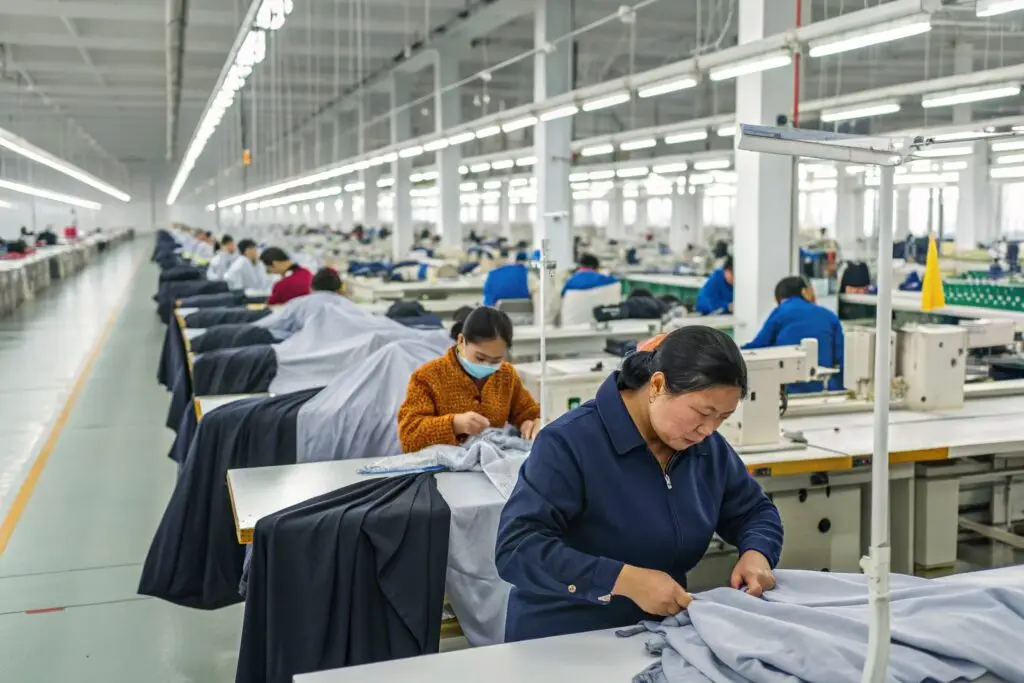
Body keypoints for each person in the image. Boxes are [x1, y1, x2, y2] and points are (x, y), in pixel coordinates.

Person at [495, 326, 783, 642]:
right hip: (562, 640)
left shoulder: (704, 449)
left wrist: (757, 553)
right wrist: (622, 580)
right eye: (703, 412)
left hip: (657, 637)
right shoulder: (570, 443)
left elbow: (754, 510)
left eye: (722, 418)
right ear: (657, 384)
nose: (709, 430)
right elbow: (518, 548)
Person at [397, 306, 541, 452]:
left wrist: (530, 423)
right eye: (480, 357)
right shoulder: (428, 377)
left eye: (496, 359)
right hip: (441, 470)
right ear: (461, 341)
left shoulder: (505, 375)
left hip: (488, 465)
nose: (487, 365)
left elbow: (527, 411)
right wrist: (454, 425)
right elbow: (409, 436)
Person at [743, 275, 844, 393]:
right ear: (804, 292)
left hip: (788, 390)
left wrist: (730, 352)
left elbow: (758, 346)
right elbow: (842, 358)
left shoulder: (781, 312)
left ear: (780, 299)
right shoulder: (829, 315)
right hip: (823, 389)